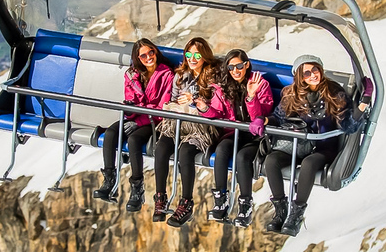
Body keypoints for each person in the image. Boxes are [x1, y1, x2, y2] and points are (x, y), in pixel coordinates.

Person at [262, 55, 371, 237]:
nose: (313, 75)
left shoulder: (334, 92)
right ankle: (280, 210)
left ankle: (295, 215)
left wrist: (363, 104)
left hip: (323, 147)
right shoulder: (292, 94)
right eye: (307, 73)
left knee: (309, 164)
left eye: (315, 70)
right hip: (300, 145)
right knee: (271, 160)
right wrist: (264, 120)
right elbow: (279, 118)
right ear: (299, 77)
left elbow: (348, 126)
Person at [94, 39, 174, 211]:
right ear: (138, 58)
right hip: (136, 117)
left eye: (151, 53)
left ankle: (137, 187)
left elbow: (163, 107)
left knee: (134, 141)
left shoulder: (167, 74)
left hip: (153, 121)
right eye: (143, 55)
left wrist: (138, 120)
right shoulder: (131, 75)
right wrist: (129, 112)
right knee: (110, 134)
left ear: (155, 52)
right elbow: (131, 102)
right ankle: (109, 180)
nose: (148, 58)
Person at [153, 37, 223, 227]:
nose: (192, 58)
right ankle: (160, 197)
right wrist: (177, 103)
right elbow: (174, 98)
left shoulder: (212, 76)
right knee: (161, 148)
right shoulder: (181, 75)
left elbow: (216, 105)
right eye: (189, 54)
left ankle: (186, 202)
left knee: (185, 152)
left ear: (204, 56)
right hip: (180, 121)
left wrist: (195, 100)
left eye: (197, 55)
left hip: (201, 126)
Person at [209, 49, 274, 227]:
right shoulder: (223, 88)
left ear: (246, 65)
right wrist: (202, 108)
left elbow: (261, 117)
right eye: (231, 68)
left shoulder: (260, 85)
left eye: (239, 66)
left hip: (254, 136)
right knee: (222, 149)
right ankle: (220, 198)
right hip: (234, 132)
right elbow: (217, 113)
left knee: (242, 158)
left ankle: (245, 204)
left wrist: (251, 96)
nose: (235, 71)